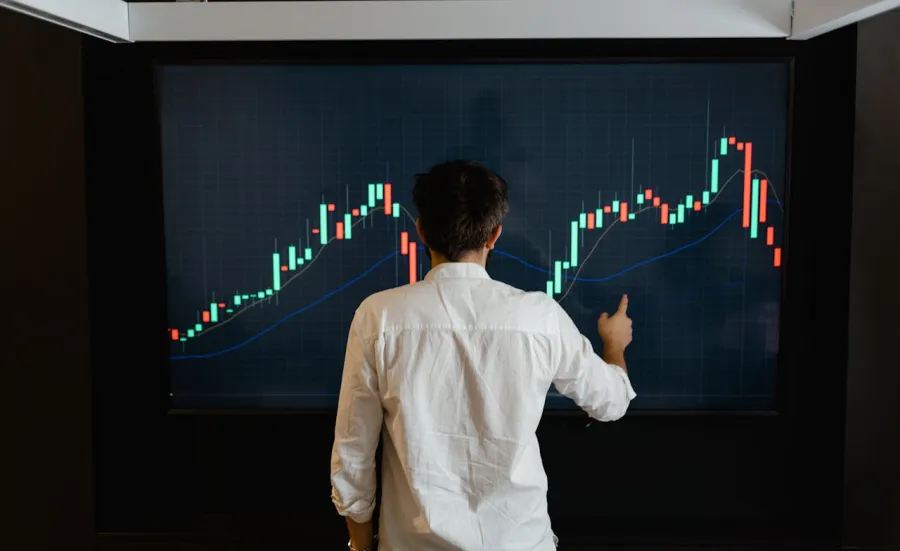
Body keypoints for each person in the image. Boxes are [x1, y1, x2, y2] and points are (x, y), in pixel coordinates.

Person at [330, 160, 636, 551]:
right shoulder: (539, 316)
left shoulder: (378, 316)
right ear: (494, 235)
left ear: (421, 231)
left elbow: (353, 453)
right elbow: (611, 402)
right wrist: (614, 345)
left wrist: (359, 546)